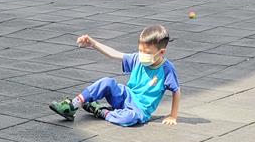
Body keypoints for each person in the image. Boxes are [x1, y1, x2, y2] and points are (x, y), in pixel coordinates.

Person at [49, 25, 180, 127]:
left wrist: (173, 116)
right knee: (107, 82)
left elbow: (176, 91)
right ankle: (73, 105)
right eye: (140, 50)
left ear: (161, 52)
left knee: (128, 118)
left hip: (140, 109)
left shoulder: (167, 69)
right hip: (126, 95)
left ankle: (101, 111)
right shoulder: (137, 59)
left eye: (147, 52)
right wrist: (93, 44)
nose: (142, 55)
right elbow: (114, 54)